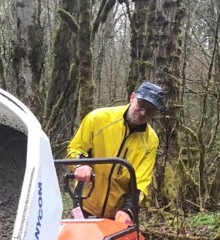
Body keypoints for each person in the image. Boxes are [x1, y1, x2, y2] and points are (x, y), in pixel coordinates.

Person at [67, 81, 165, 219]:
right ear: (132, 98)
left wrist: (128, 210)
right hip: (85, 203)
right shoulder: (98, 119)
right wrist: (81, 165)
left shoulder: (151, 140)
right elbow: (75, 149)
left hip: (117, 212)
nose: (143, 112)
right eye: (141, 105)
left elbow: (141, 181)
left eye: (150, 111)